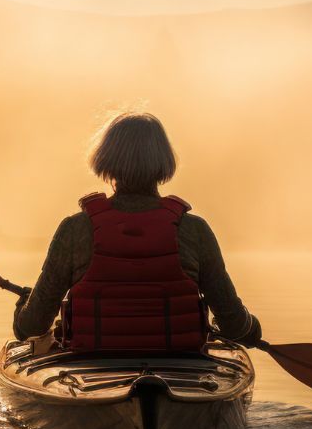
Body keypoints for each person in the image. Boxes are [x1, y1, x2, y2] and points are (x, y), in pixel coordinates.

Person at [14, 112, 261, 351]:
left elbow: (32, 326)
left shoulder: (76, 229)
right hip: (183, 369)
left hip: (91, 370)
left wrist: (24, 305)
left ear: (105, 160)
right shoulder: (194, 230)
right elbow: (233, 325)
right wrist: (251, 329)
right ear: (164, 161)